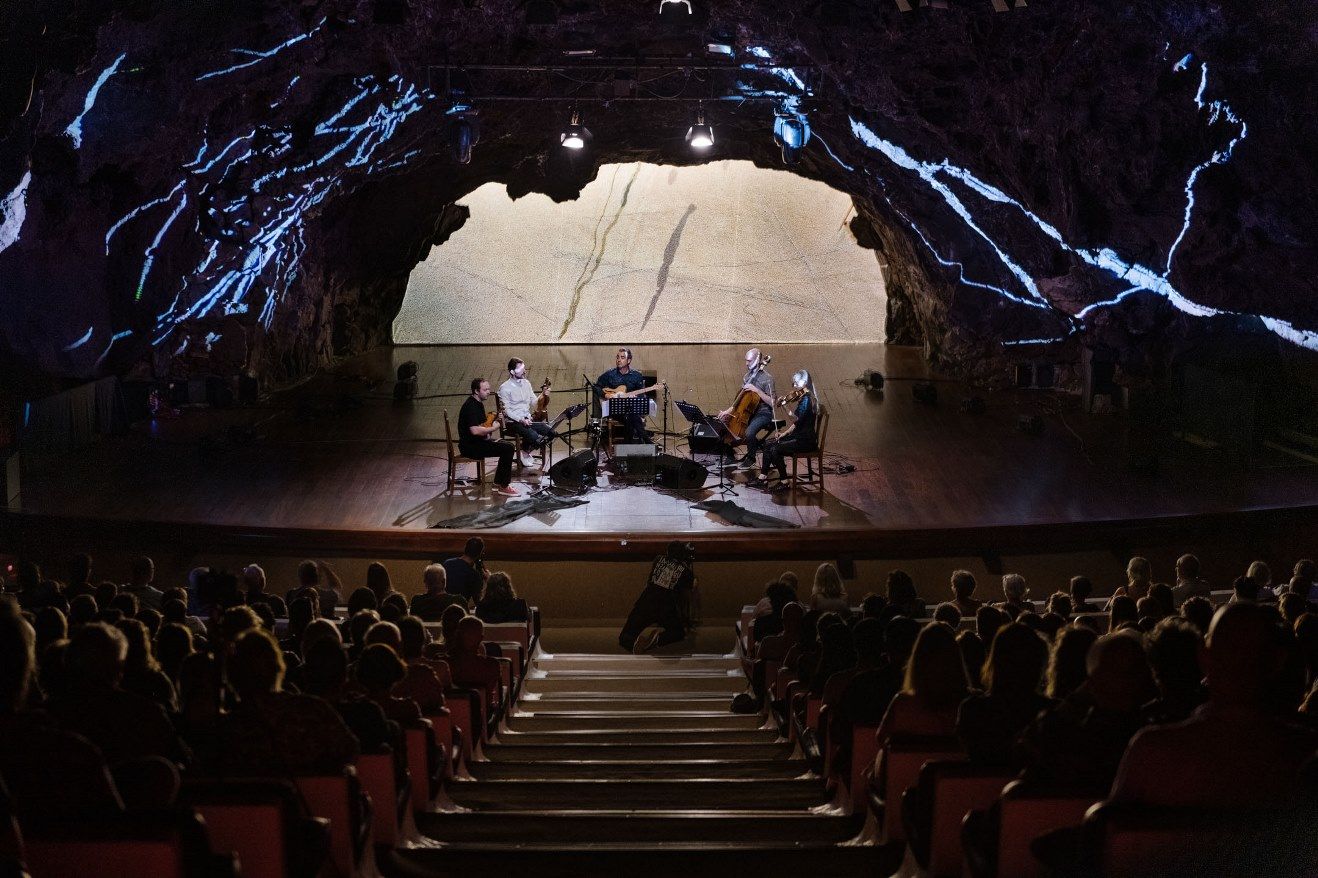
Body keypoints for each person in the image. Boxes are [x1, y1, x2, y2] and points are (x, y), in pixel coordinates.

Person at [1111, 603, 1318, 808]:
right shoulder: (1306, 753)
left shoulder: (1150, 752)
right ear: (1277, 661)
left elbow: (1110, 828)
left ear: (1204, 658)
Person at [619, 541, 697, 654]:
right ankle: (658, 639)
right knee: (678, 633)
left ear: (667, 552)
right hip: (666, 604)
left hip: (646, 600)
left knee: (625, 636)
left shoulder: (658, 559)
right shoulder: (685, 571)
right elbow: (693, 585)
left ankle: (632, 644)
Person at [757, 369, 817, 490]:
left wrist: (784, 405)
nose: (794, 386)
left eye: (796, 383)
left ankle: (784, 482)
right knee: (768, 444)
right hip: (799, 437)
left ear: (804, 383)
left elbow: (795, 419)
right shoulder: (804, 398)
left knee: (775, 449)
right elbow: (797, 423)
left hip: (805, 441)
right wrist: (784, 433)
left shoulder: (807, 400)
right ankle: (762, 478)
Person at [458, 378, 518, 497]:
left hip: (477, 443)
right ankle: (503, 486)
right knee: (508, 449)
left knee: (508, 445)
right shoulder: (471, 406)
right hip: (470, 447)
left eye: (489, 389)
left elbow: (483, 427)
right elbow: (475, 431)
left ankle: (497, 483)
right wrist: (494, 428)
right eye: (485, 390)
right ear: (476, 391)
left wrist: (494, 420)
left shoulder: (478, 403)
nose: (488, 392)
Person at [719, 348, 775, 469]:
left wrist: (758, 391)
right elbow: (740, 400)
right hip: (747, 412)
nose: (746, 363)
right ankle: (730, 456)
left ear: (757, 360)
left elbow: (773, 403)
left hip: (763, 413)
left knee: (749, 432)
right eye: (746, 360)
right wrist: (728, 411)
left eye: (749, 361)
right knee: (724, 426)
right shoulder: (747, 377)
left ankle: (751, 457)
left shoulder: (768, 378)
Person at [498, 358, 555, 467]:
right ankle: (525, 450)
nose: (524, 371)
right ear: (512, 372)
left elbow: (534, 402)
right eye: (521, 369)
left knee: (551, 432)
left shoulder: (526, 383)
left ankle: (525, 451)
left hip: (528, 419)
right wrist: (521, 420)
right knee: (534, 436)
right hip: (513, 422)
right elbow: (507, 411)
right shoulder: (504, 388)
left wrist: (543, 394)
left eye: (524, 368)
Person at [595, 347, 656, 444]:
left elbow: (641, 395)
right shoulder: (609, 374)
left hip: (631, 409)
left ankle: (627, 445)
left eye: (622, 357)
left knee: (630, 415)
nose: (619, 360)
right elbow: (596, 387)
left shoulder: (637, 376)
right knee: (633, 416)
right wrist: (606, 395)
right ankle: (646, 441)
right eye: (617, 357)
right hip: (615, 410)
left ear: (629, 360)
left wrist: (635, 398)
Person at [442, 538, 487, 604]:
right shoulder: (474, 575)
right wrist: (488, 581)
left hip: (443, 608)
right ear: (480, 554)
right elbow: (479, 602)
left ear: (465, 548)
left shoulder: (447, 563)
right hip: (460, 610)